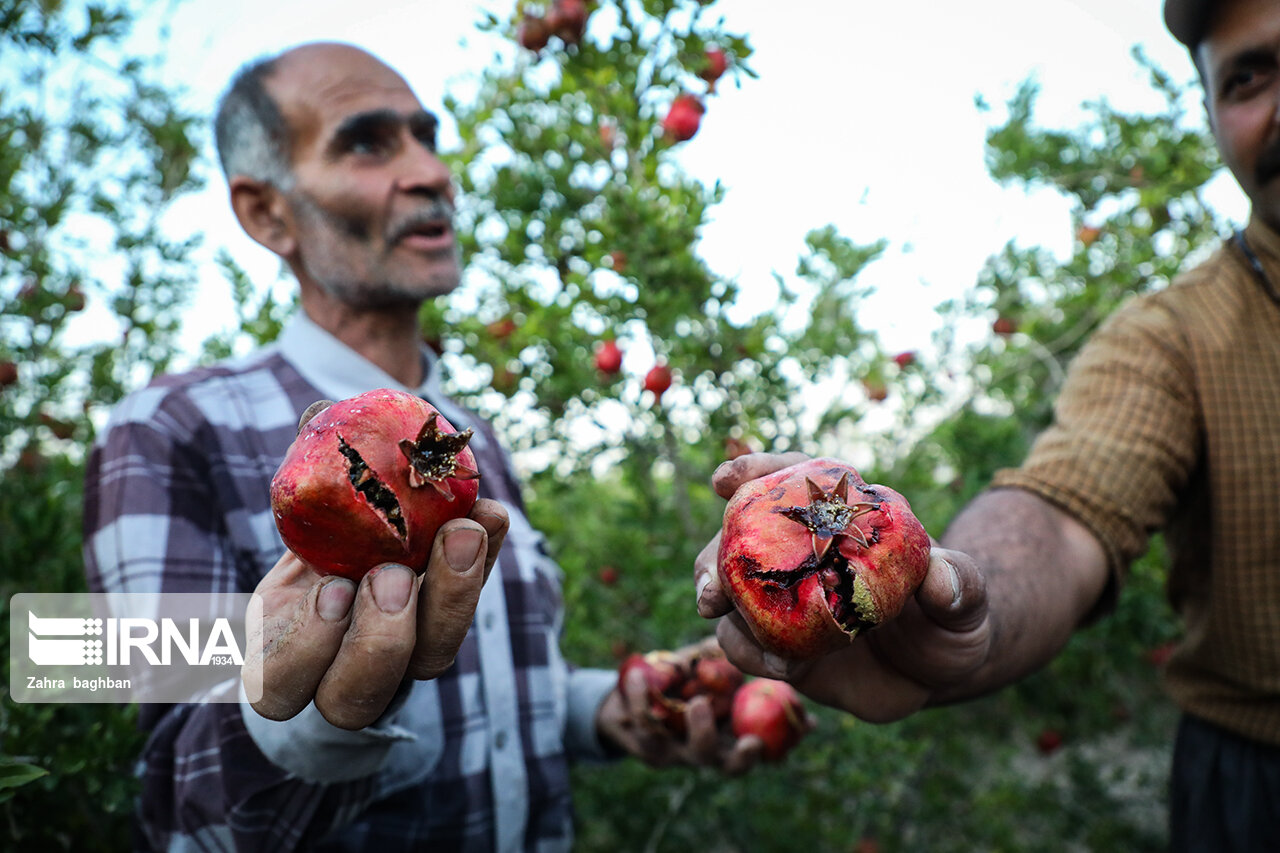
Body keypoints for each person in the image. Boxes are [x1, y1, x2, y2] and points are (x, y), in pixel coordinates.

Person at [84, 41, 760, 852]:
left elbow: (509, 689)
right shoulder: (163, 429)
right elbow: (171, 788)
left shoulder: (475, 442)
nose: (432, 172)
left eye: (426, 138)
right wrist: (312, 726)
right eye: (368, 142)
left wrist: (607, 711)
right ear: (267, 212)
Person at [695, 0, 1280, 849]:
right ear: (1212, 117)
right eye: (1249, 77)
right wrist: (955, 608)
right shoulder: (1173, 338)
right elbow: (1062, 511)